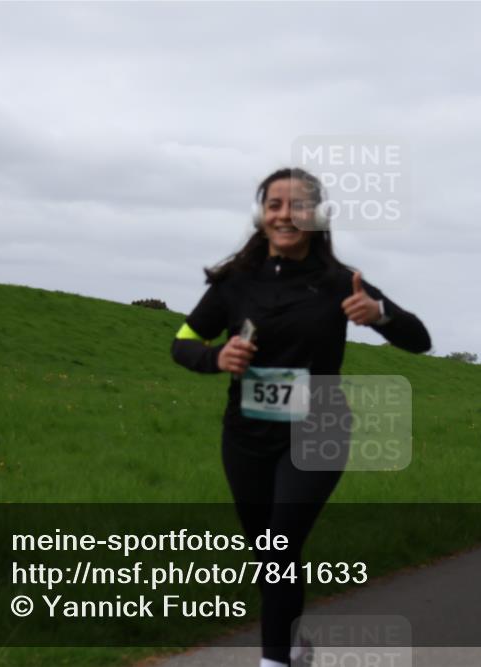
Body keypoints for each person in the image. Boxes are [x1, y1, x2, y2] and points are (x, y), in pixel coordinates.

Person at [171, 167, 431, 667]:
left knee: (279, 545)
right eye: (274, 205)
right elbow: (182, 342)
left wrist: (379, 315)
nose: (285, 214)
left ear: (318, 216)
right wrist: (214, 358)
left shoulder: (340, 283)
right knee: (267, 556)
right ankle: (292, 644)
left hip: (319, 430)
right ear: (261, 215)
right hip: (246, 436)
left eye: (298, 205)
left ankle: (274, 662)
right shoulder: (234, 284)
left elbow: (419, 339)